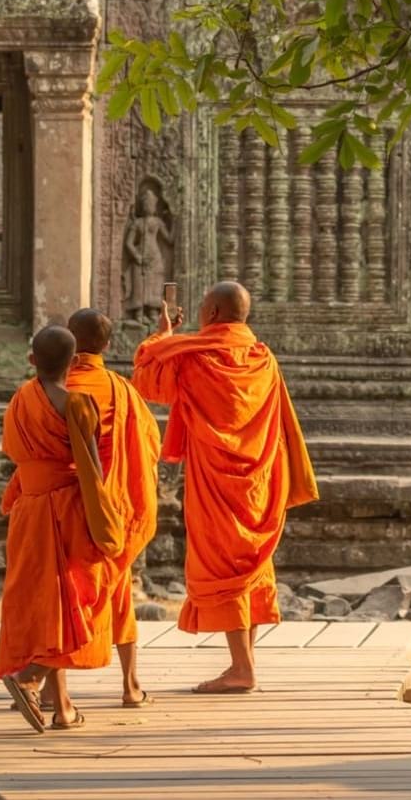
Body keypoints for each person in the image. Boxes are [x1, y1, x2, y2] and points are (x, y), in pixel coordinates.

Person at [131, 281, 318, 694]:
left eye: (200, 307)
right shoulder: (264, 360)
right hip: (260, 482)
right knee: (249, 564)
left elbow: (146, 379)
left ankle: (241, 668)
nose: (197, 313)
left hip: (215, 481)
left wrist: (163, 333)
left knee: (225, 565)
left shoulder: (194, 358)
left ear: (213, 314)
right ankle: (243, 664)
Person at [0, 324, 124, 732]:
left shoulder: (19, 400)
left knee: (47, 604)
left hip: (27, 510)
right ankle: (30, 675)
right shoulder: (78, 404)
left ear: (32, 361)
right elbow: (94, 469)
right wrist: (105, 516)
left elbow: (17, 454)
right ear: (75, 362)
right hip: (67, 509)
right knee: (84, 598)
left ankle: (64, 708)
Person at [52, 307, 160, 708]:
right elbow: (150, 445)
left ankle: (49, 688)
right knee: (116, 592)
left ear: (68, 340)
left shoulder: (55, 389)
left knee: (64, 594)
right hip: (115, 509)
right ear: (109, 345)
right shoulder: (123, 390)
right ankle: (131, 685)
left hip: (66, 506)